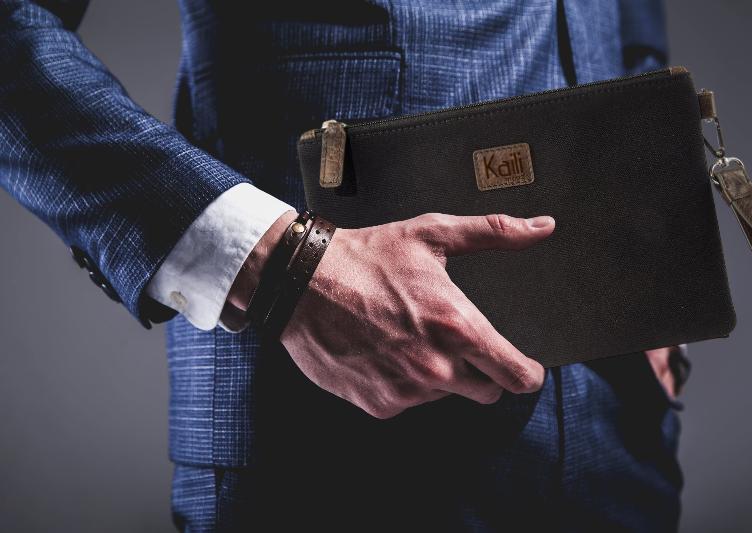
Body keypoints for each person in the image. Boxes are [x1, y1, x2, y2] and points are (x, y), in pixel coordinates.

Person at [0, 0, 689, 531]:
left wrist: (654, 264)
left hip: (617, 433)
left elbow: (627, 46)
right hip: (327, 440)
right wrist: (279, 266)